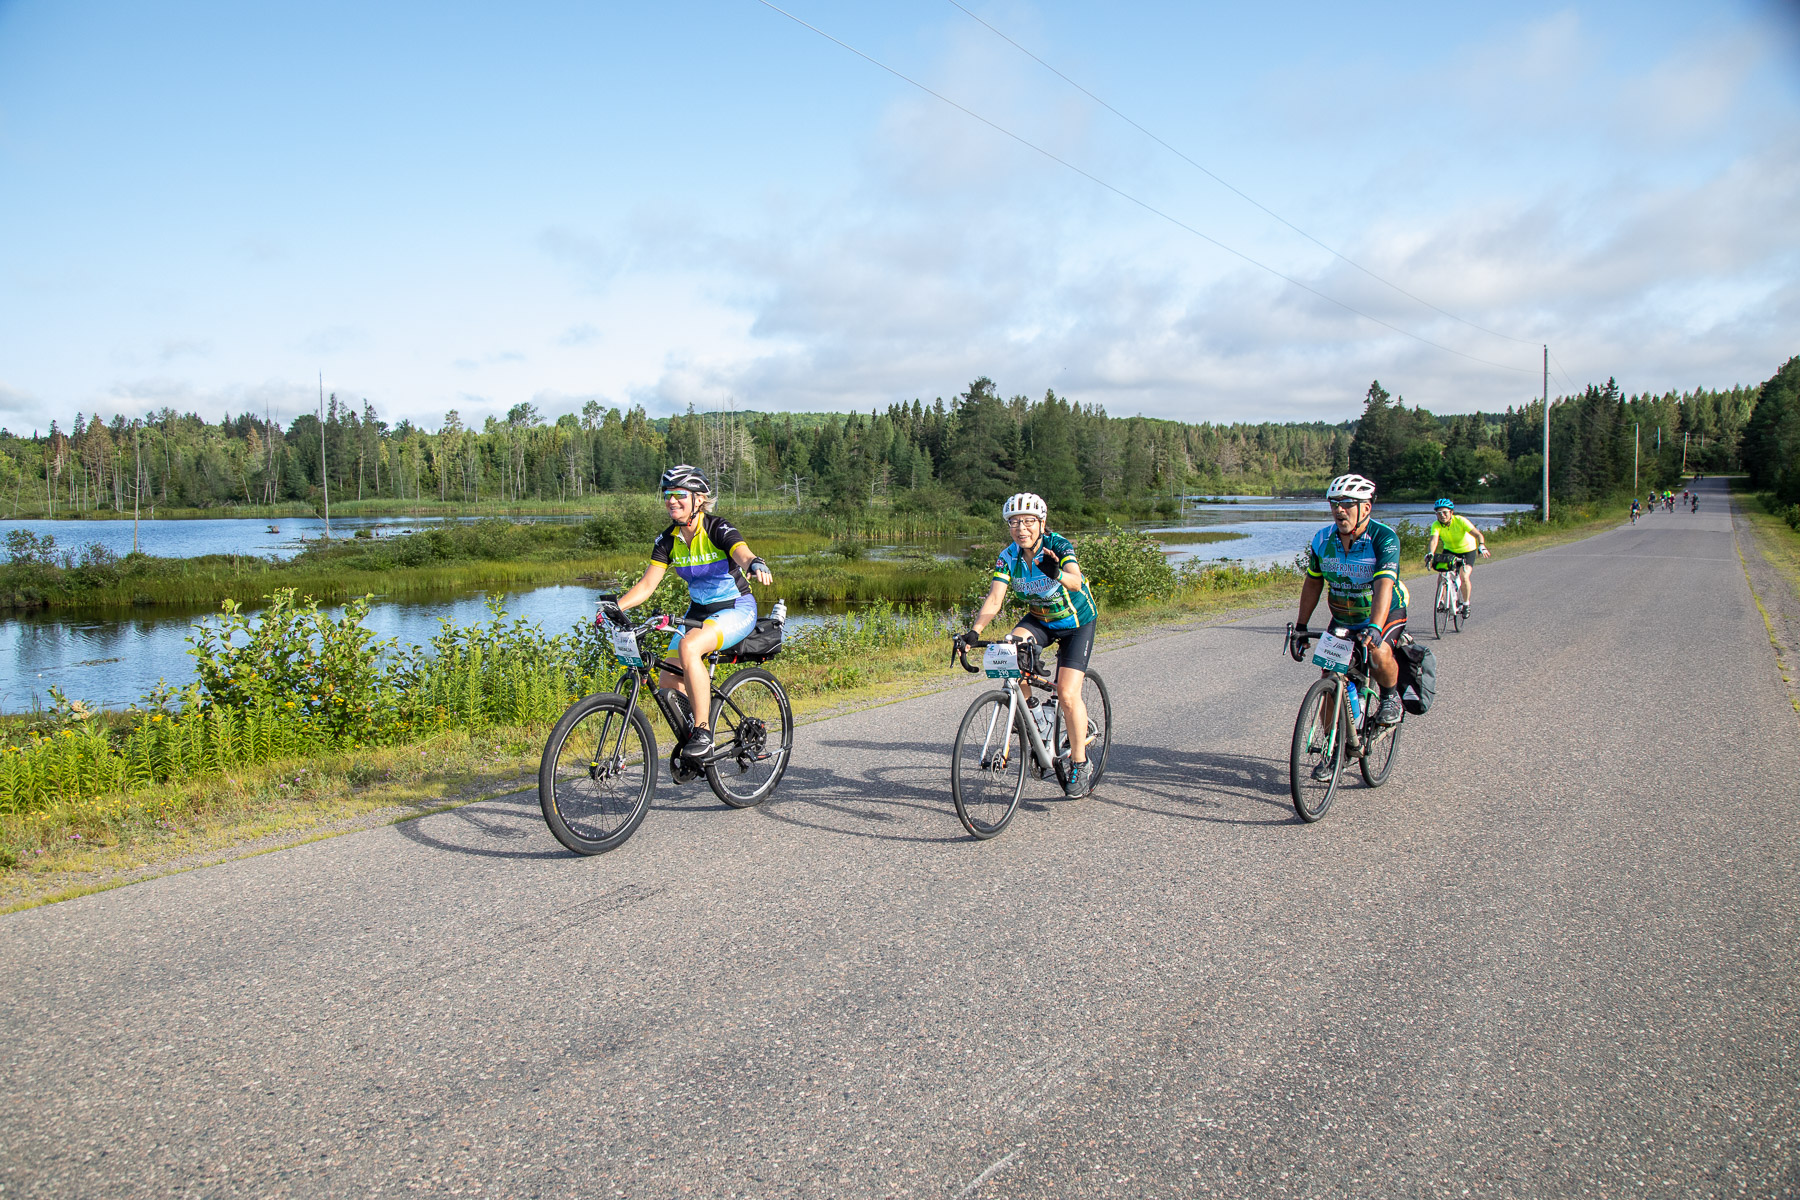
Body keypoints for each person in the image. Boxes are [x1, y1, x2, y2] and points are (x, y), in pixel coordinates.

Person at [604, 465, 773, 762]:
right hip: (698, 611)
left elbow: (740, 551)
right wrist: (615, 607)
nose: (671, 501)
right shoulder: (668, 540)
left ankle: (703, 732)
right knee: (668, 680)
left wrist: (753, 563)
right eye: (668, 495)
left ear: (698, 499)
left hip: (735, 607)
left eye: (679, 494)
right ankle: (693, 740)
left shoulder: (717, 528)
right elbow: (646, 586)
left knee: (689, 646)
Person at [957, 492, 1100, 797]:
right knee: (1009, 652)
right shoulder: (1008, 556)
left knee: (1067, 692)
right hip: (1040, 619)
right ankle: (1034, 712)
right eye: (1015, 522)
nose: (1021, 528)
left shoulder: (1057, 546)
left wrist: (1056, 572)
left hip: (1076, 623)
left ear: (1041, 522)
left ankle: (1079, 761)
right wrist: (974, 631)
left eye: (1028, 521)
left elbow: (1076, 581)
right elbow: (995, 598)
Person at [1290, 473, 1409, 728]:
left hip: (1383, 613)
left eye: (1346, 504)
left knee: (1378, 653)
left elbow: (1384, 586)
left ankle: (1390, 698)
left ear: (1365, 507)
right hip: (1344, 617)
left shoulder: (1384, 538)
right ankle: (1331, 753)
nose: (1339, 510)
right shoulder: (1323, 539)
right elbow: (1313, 582)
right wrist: (1301, 627)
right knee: (1329, 678)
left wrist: (1375, 628)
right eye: (1334, 504)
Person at [1423, 498, 1489, 617]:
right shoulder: (1436, 525)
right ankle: (1442, 601)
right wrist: (1430, 553)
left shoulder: (1460, 520)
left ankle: (1466, 604)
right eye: (1438, 513)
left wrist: (1482, 546)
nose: (1442, 515)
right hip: (1450, 550)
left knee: (1464, 576)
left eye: (1445, 512)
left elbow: (1478, 534)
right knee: (1442, 573)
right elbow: (1434, 540)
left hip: (1468, 550)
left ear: (1451, 512)